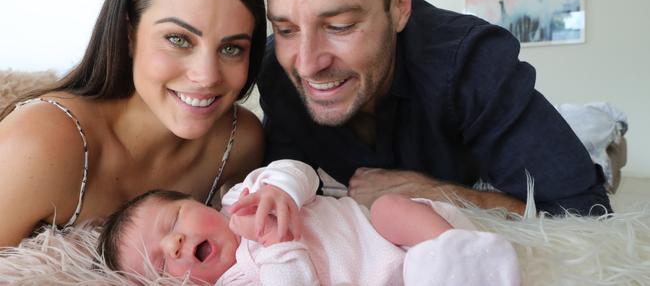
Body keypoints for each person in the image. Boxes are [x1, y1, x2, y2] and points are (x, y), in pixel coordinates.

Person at [258, 0, 612, 216]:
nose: (306, 64)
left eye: (340, 26)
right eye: (286, 29)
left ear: (399, 7)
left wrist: (440, 195)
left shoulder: (471, 63)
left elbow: (585, 211)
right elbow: (286, 177)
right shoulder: (277, 72)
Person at [0, 0, 268, 247]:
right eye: (178, 39)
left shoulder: (240, 143)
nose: (207, 76)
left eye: (231, 48)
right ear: (129, 33)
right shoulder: (39, 143)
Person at [98, 159, 521, 285]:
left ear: (198, 203)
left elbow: (301, 170)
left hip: (398, 233)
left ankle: (463, 257)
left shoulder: (244, 198)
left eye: (172, 221)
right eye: (160, 265)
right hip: (397, 278)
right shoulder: (237, 283)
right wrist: (279, 248)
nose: (173, 245)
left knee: (389, 207)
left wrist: (280, 190)